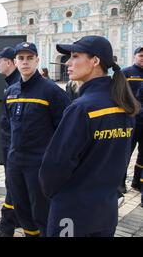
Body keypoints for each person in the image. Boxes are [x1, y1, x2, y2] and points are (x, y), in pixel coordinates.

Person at [40, 36, 139, 237]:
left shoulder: (81, 108)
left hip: (73, 211)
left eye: (75, 56)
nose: (68, 62)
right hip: (105, 209)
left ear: (95, 62)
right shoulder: (124, 105)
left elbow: (55, 166)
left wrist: (54, 194)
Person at [4, 42, 70, 237]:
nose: (25, 62)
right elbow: (8, 125)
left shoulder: (52, 92)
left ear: (37, 61)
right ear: (15, 62)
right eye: (21, 58)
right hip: (15, 163)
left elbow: (64, 131)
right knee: (22, 209)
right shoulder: (11, 92)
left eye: (29, 58)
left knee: (42, 212)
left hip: (39, 164)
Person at [0, 47, 20, 237]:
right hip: (9, 145)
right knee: (12, 183)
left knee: (13, 184)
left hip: (15, 148)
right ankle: (16, 218)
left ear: (9, 62)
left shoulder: (18, 85)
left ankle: (7, 226)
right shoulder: (11, 83)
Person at [122, 46, 143, 193]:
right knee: (125, 153)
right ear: (135, 56)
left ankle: (137, 182)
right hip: (130, 120)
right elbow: (118, 95)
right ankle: (120, 183)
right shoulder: (126, 73)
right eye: (141, 55)